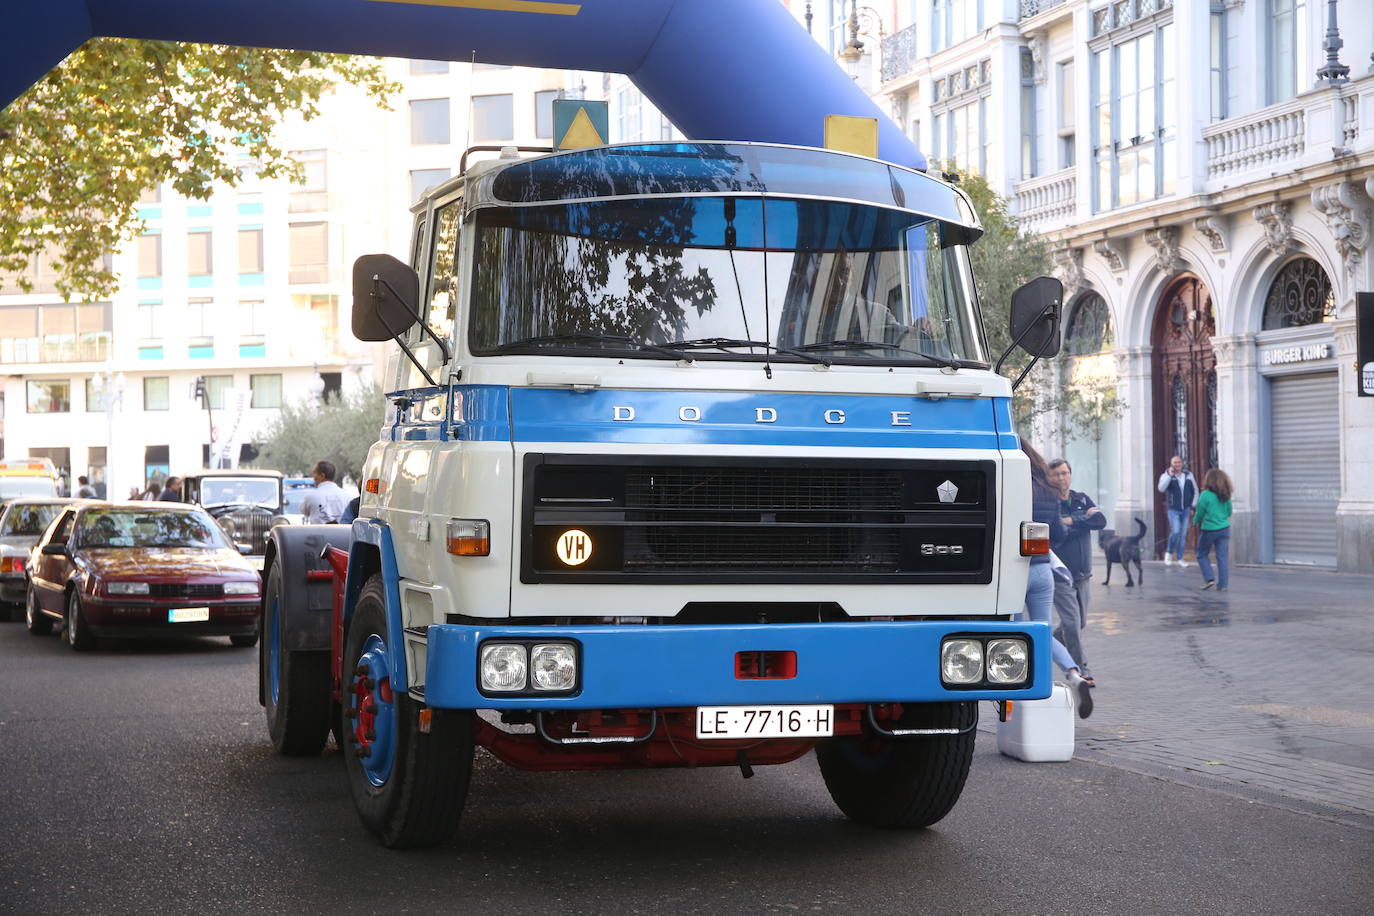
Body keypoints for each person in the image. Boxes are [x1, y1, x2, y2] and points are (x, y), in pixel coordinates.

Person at [1021, 441, 1093, 718]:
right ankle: (1074, 674)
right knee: (1042, 629)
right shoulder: (1049, 491)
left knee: (1018, 633)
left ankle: (1028, 691)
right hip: (1042, 570)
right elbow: (1058, 535)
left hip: (1015, 570)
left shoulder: (1013, 485)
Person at [1047, 458, 1106, 686]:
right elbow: (1057, 531)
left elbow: (1100, 520)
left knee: (1078, 624)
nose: (1061, 478)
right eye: (1056, 475)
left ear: (1070, 474)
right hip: (1060, 574)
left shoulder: (1081, 498)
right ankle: (1081, 671)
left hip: (1083, 573)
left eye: (1064, 473)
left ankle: (1046, 643)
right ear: (1049, 479)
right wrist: (1084, 520)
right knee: (1071, 624)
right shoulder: (1050, 503)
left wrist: (1072, 520)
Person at [1192, 468, 1234, 591]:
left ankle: (1209, 578)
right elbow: (1229, 512)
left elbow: (1200, 512)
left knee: (1202, 553)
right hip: (1225, 528)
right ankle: (1223, 585)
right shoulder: (1226, 495)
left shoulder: (1205, 495)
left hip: (1209, 529)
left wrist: (1195, 521)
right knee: (1222, 557)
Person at [1156, 456, 1197, 567]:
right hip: (1173, 509)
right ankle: (1169, 552)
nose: (1177, 464)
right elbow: (1161, 488)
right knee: (1176, 531)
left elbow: (1195, 490)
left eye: (1179, 462)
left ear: (1182, 463)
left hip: (1186, 509)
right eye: (1175, 462)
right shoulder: (1165, 475)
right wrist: (1170, 475)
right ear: (1171, 464)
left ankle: (1180, 558)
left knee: (1183, 534)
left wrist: (1193, 506)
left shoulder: (1188, 475)